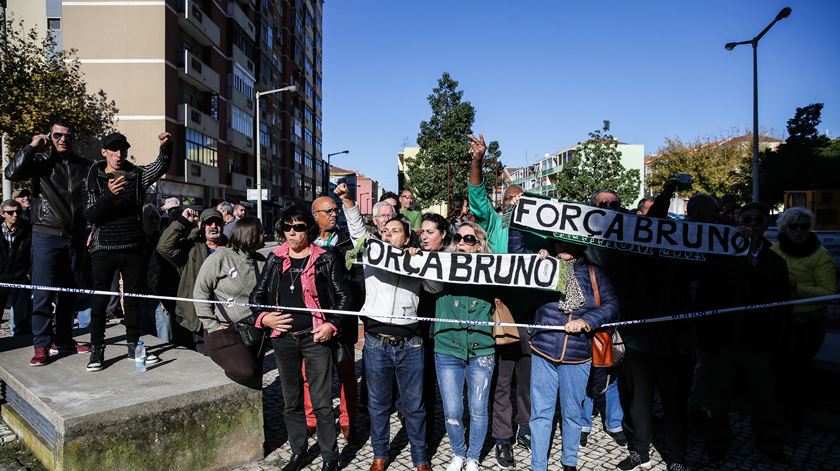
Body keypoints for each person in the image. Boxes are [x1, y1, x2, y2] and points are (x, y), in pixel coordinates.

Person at [336, 182, 441, 471]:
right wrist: (347, 201)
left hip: (411, 343)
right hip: (376, 342)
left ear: (407, 237)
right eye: (385, 231)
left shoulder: (417, 260)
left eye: (394, 231)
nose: (387, 234)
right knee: (378, 404)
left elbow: (434, 286)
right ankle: (380, 455)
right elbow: (357, 229)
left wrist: (422, 263)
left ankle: (420, 459)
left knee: (415, 406)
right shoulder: (373, 254)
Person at [250, 205, 350, 471]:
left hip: (316, 337)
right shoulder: (274, 258)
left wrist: (331, 324)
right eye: (286, 227)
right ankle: (298, 451)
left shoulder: (325, 258)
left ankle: (330, 457)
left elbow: (343, 297)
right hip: (283, 339)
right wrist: (265, 318)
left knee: (321, 402)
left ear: (309, 229)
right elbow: (256, 298)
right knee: (290, 400)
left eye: (298, 227)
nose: (291, 233)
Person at [694, 202, 790, 464]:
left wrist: (777, 338)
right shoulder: (722, 258)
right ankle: (718, 442)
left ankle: (769, 442)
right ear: (738, 224)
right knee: (719, 398)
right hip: (724, 340)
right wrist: (707, 338)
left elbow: (783, 303)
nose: (751, 226)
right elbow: (706, 297)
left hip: (759, 342)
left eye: (756, 221)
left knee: (764, 397)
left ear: (765, 225)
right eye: (746, 221)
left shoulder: (775, 262)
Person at [517, 238, 618, 471]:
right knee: (541, 414)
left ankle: (569, 462)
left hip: (578, 355)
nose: (563, 249)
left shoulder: (595, 273)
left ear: (580, 247)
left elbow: (612, 304)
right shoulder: (545, 265)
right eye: (559, 245)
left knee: (572, 412)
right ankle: (538, 465)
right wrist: (536, 259)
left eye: (569, 245)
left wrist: (587, 321)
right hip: (543, 350)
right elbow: (517, 250)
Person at [467, 133, 534, 468]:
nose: (514, 203)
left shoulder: (540, 235)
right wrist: (477, 160)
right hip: (504, 312)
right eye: (509, 200)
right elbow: (477, 196)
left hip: (535, 314)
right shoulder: (495, 224)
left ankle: (526, 426)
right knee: (503, 379)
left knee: (529, 377)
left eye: (520, 199)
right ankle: (503, 439)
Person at [5, 117, 92, 366]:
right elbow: (11, 172)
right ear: (49, 137)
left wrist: (91, 227)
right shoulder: (40, 161)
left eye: (67, 136)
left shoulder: (82, 165)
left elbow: (90, 199)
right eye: (57, 135)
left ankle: (64, 339)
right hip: (46, 235)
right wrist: (32, 146)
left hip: (74, 236)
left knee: (68, 293)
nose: (63, 139)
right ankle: (41, 344)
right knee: (43, 293)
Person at [82, 131, 171, 371]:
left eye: (122, 149)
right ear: (104, 152)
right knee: (100, 301)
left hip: (132, 247)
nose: (119, 154)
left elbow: (160, 166)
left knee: (132, 301)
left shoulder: (136, 175)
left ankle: (133, 345)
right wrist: (109, 195)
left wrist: (165, 147)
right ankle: (97, 350)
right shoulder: (93, 177)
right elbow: (91, 214)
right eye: (113, 149)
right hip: (103, 248)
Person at [435, 222, 496, 471]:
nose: (461, 242)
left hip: (482, 349)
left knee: (478, 408)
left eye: (469, 239)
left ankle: (473, 457)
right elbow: (429, 285)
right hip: (448, 348)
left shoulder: (494, 270)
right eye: (458, 238)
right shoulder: (441, 265)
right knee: (452, 409)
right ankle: (458, 453)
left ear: (480, 244)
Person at [302, 196, 364, 441]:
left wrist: (348, 305)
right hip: (313, 318)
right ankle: (311, 418)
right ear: (314, 214)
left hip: (342, 316)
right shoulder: (305, 241)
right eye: (327, 211)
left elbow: (358, 276)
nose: (333, 215)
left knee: (345, 371)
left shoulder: (348, 241)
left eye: (335, 210)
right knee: (310, 373)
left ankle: (348, 420)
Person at [771, 207, 837, 424]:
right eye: (793, 226)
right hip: (779, 320)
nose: (799, 231)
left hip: (806, 322)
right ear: (784, 227)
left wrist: (796, 287)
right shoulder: (775, 251)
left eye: (804, 226)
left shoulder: (820, 255)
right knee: (778, 368)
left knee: (797, 369)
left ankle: (793, 415)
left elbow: (828, 293)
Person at [194, 217, 267, 389]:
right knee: (246, 370)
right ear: (251, 235)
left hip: (255, 331)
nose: (265, 235)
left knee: (256, 376)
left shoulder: (262, 261)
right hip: (225, 331)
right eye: (262, 232)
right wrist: (211, 324)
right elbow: (200, 292)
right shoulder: (220, 258)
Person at [157, 207, 227, 352]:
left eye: (217, 223)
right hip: (195, 318)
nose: (214, 226)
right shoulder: (191, 248)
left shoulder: (231, 249)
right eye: (209, 223)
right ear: (201, 226)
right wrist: (183, 222)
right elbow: (164, 247)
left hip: (223, 316)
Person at [0, 199, 32, 336]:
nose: (15, 215)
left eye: (18, 212)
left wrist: (29, 273)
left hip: (20, 277)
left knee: (22, 315)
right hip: (1, 276)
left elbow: (33, 253)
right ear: (2, 214)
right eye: (10, 212)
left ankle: (21, 342)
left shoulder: (27, 229)